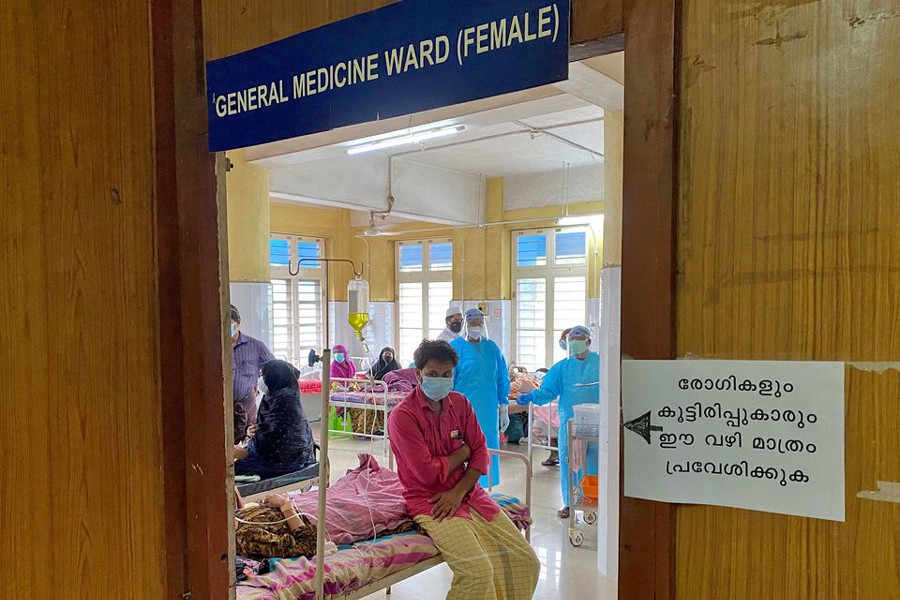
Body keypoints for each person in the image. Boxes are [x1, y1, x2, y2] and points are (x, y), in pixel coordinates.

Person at [388, 340, 540, 600]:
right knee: (478, 573)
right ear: (417, 374)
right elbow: (427, 473)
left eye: (446, 375)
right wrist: (462, 452)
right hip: (430, 502)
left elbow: (481, 452)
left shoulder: (459, 404)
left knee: (526, 561)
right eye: (433, 374)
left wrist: (459, 490)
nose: (441, 380)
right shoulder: (403, 417)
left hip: (469, 494)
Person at [517, 326, 600, 518]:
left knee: (595, 462)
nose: (576, 343)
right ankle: (570, 503)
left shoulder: (602, 363)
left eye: (579, 338)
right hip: (570, 424)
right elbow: (548, 392)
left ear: (588, 341)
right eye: (573, 339)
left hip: (597, 423)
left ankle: (596, 499)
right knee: (568, 462)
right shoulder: (561, 368)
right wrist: (531, 396)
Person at [450, 308, 510, 487]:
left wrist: (504, 406)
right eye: (472, 323)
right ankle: (462, 488)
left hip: (489, 408)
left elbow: (502, 378)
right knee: (463, 447)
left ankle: (486, 487)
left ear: (483, 324)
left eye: (478, 323)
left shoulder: (492, 348)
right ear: (466, 325)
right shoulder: (455, 348)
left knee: (488, 446)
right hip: (462, 408)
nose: (475, 326)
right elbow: (449, 380)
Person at [234, 360, 315, 478]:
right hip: (290, 455)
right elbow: (270, 429)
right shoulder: (277, 397)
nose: (261, 379)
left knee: (234, 468)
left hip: (286, 460)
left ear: (274, 377)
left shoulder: (283, 401)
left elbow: (280, 444)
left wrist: (247, 452)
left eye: (263, 375)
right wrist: (252, 430)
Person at [231, 304, 275, 424]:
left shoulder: (255, 346)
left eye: (228, 323)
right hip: (220, 408)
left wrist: (261, 384)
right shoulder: (213, 348)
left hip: (247, 407)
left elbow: (275, 369)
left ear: (237, 322)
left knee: (248, 438)